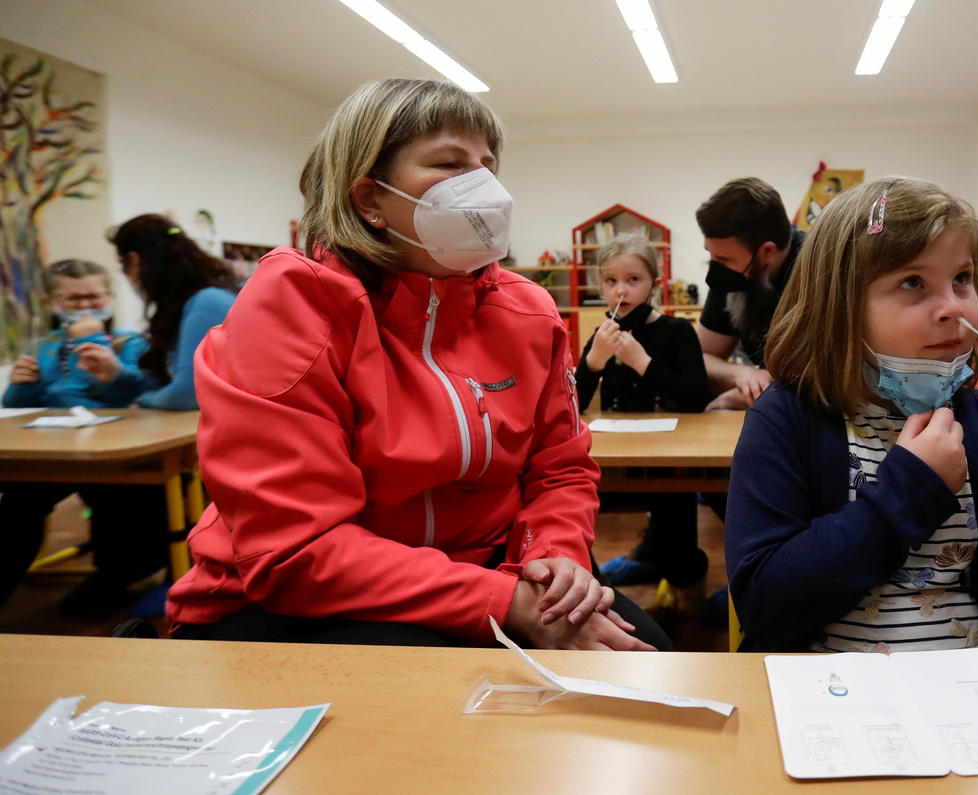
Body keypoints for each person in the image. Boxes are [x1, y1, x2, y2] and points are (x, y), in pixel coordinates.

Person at [166, 78, 666, 651]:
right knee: (446, 689)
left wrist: (553, 559)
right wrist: (506, 603)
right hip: (296, 599)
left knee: (641, 655)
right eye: (450, 164)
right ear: (369, 199)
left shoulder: (527, 311)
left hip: (491, 570)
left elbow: (560, 468)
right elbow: (295, 550)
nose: (482, 187)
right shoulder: (290, 309)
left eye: (488, 166)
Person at [726, 176, 978, 653]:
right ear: (838, 306)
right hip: (827, 688)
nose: (953, 309)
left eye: (961, 279)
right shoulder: (784, 421)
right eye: (912, 282)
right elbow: (764, 606)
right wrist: (911, 489)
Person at [0, 259, 158, 612]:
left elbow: (129, 394)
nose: (85, 305)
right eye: (73, 299)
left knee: (114, 500)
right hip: (53, 450)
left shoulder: (128, 342)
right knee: (18, 504)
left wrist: (91, 340)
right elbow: (17, 404)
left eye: (93, 297)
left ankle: (119, 571)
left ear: (110, 298)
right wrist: (21, 385)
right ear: (50, 303)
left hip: (114, 450)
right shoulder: (43, 346)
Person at [575, 235, 710, 600]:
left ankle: (682, 577)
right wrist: (593, 361)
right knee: (571, 505)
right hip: (613, 456)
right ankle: (595, 584)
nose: (621, 290)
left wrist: (642, 362)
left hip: (667, 458)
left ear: (654, 284)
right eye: (611, 281)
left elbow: (695, 398)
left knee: (674, 520)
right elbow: (573, 404)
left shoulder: (677, 332)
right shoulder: (602, 334)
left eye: (633, 279)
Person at [99, 214, 239, 411]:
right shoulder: (189, 303)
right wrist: (119, 375)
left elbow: (189, 394)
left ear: (134, 261)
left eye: (122, 265)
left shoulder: (207, 303)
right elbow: (170, 385)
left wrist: (142, 401)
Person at [696, 177, 805, 411]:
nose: (715, 268)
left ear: (767, 252)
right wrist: (740, 374)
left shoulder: (820, 274)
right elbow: (699, 358)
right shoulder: (732, 275)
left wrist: (729, 399)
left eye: (723, 259)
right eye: (710, 254)